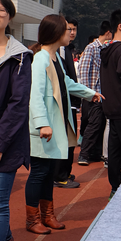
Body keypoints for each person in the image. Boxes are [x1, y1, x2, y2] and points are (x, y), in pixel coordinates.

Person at [26, 15, 100, 235]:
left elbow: (66, 83)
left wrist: (90, 94)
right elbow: (35, 94)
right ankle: (33, 219)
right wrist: (42, 124)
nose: (71, 33)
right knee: (39, 172)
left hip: (52, 127)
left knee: (48, 172)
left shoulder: (54, 57)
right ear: (56, 33)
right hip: (45, 129)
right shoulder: (41, 58)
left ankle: (47, 215)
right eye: (67, 30)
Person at [0, 0, 32, 241]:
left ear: (9, 16)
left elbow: (18, 104)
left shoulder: (19, 56)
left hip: (2, 144)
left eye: (0, 9)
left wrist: (0, 141)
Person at [100, 9, 121, 197]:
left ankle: (115, 186)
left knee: (114, 149)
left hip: (110, 106)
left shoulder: (106, 49)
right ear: (120, 26)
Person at [77, 20, 112, 165]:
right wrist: (89, 94)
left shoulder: (106, 48)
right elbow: (83, 71)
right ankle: (83, 155)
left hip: (101, 95)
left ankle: (94, 153)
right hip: (93, 94)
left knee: (99, 124)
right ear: (108, 32)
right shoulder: (91, 48)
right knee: (94, 124)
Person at [54, 17, 81, 189]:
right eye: (68, 29)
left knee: (71, 141)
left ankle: (64, 172)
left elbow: (70, 79)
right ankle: (59, 175)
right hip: (62, 103)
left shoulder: (67, 50)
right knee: (63, 141)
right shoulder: (50, 54)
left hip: (71, 101)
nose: (71, 33)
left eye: (73, 29)